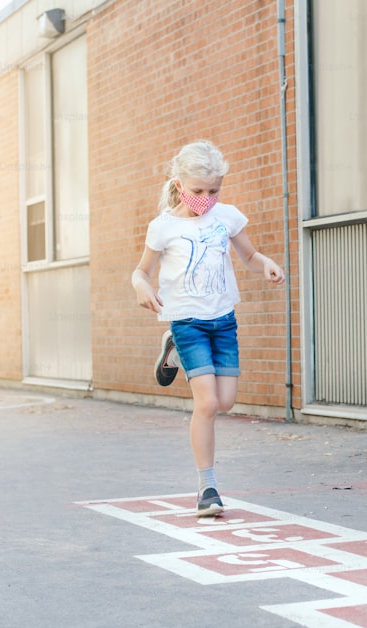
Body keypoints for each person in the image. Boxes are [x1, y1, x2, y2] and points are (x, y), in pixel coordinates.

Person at [131, 140, 284, 517]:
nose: (206, 198)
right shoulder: (163, 227)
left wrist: (265, 263)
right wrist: (142, 286)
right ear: (180, 184)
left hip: (223, 321)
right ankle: (207, 488)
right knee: (208, 404)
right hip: (187, 322)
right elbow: (141, 271)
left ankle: (172, 351)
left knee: (227, 401)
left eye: (214, 191)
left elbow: (248, 255)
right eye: (198, 191)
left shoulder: (226, 217)